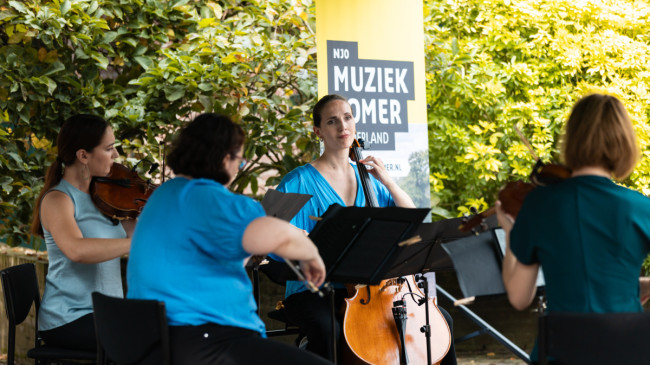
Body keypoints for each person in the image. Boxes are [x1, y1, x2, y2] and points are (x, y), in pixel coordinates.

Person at [126, 113, 333, 365]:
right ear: (225, 158)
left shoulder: (164, 194)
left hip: (155, 340)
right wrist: (310, 253)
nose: (239, 167)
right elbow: (282, 237)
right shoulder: (220, 202)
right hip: (207, 339)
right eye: (240, 160)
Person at [276, 94, 458, 364]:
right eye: (332, 121)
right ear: (318, 131)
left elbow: (412, 223)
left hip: (375, 288)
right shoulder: (297, 180)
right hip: (315, 289)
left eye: (348, 118)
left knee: (441, 321)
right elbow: (271, 231)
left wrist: (387, 180)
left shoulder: (370, 179)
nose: (342, 127)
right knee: (329, 331)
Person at [496, 93, 650, 363]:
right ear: (624, 142)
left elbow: (520, 298)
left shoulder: (539, 204)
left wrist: (510, 233)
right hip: (627, 352)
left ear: (572, 139)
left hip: (560, 352)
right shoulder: (640, 208)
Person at [30, 114, 132, 350]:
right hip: (69, 318)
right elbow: (76, 250)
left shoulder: (107, 198)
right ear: (83, 155)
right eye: (109, 148)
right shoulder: (58, 199)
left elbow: (137, 233)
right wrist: (135, 244)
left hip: (106, 313)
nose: (116, 155)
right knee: (142, 341)